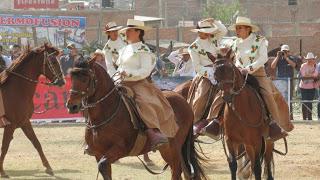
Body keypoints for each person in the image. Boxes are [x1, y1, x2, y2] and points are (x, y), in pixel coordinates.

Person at [204, 16, 294, 141]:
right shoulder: (234, 42)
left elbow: (263, 58)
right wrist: (215, 23)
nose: (237, 30)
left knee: (267, 94)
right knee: (222, 93)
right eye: (236, 28)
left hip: (257, 73)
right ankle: (215, 122)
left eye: (240, 28)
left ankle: (273, 124)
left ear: (248, 29)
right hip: (238, 74)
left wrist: (249, 68)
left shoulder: (260, 40)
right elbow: (228, 45)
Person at [116, 19, 178, 150]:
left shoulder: (144, 50)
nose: (126, 33)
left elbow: (145, 71)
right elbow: (119, 67)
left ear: (138, 32)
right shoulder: (124, 49)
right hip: (120, 81)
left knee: (144, 102)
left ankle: (153, 132)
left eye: (129, 30)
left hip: (139, 83)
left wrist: (127, 73)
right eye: (126, 30)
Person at [187, 18, 227, 135]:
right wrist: (211, 73)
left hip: (221, 70)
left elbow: (223, 30)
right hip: (205, 74)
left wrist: (214, 21)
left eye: (209, 30)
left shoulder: (214, 39)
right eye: (205, 31)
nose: (208, 33)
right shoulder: (193, 47)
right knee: (202, 95)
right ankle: (195, 121)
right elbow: (197, 66)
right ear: (199, 32)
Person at [299, 52, 317, 120]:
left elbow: (316, 75)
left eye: (311, 59)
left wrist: (309, 75)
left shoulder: (315, 66)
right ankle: (304, 118)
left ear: (313, 59)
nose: (310, 60)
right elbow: (303, 75)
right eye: (308, 59)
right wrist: (312, 74)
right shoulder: (303, 65)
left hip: (312, 87)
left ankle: (309, 117)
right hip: (303, 87)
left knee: (310, 102)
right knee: (304, 102)